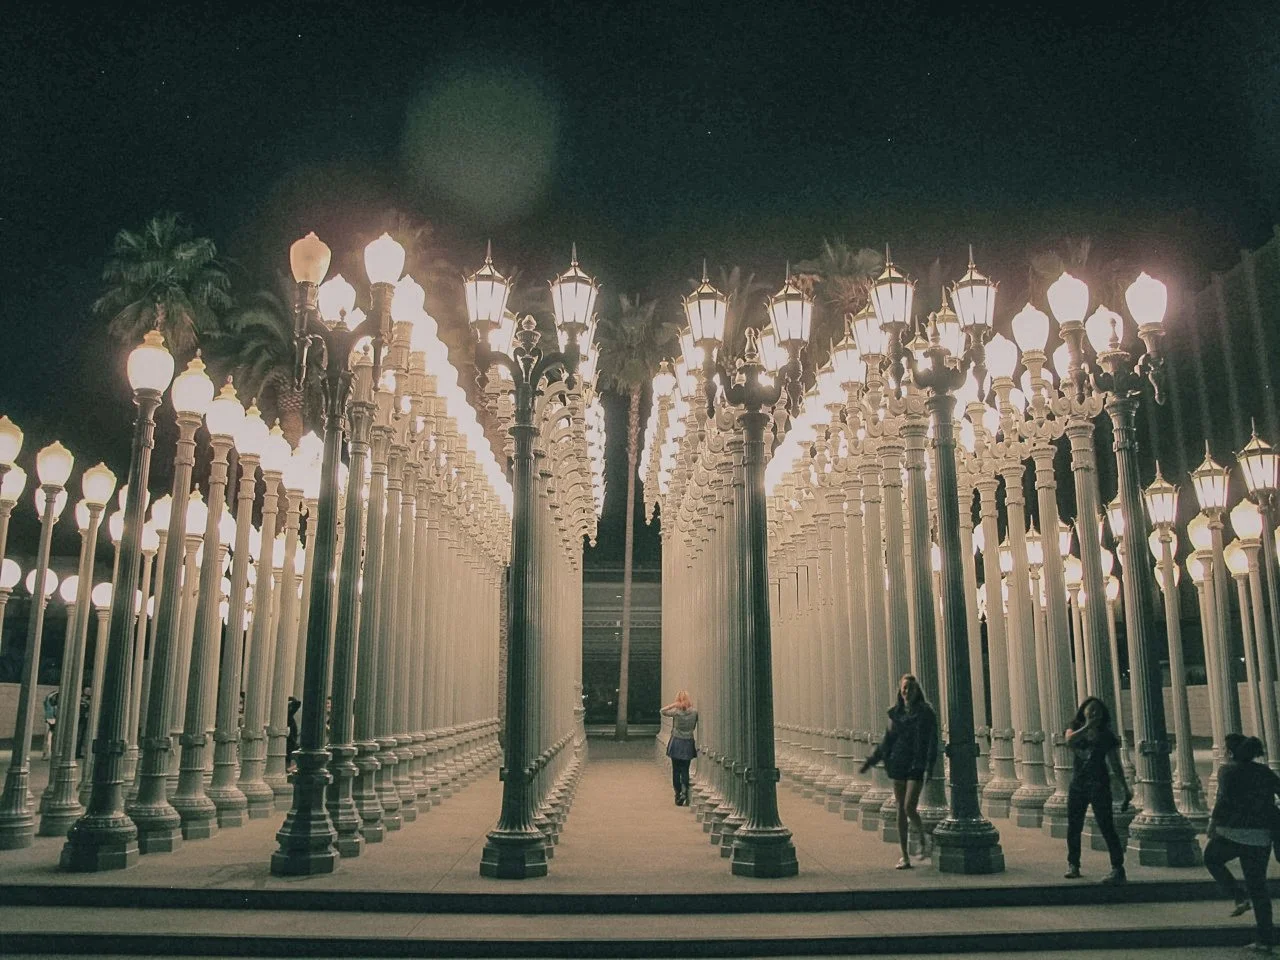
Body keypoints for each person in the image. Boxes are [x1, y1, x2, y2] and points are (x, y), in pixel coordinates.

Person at [1205, 734, 1279, 953]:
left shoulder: (1227, 771)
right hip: (1260, 836)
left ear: (1229, 752)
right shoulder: (1264, 771)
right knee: (1259, 887)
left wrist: (1213, 824)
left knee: (1211, 859)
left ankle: (1238, 895)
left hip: (1232, 832)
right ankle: (1265, 940)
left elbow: (1223, 800)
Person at [860, 674, 938, 868]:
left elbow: (932, 741)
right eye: (904, 688)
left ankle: (922, 839)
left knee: (909, 806)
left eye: (910, 688)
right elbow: (887, 741)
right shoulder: (895, 713)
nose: (907, 692)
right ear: (900, 690)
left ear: (916, 690)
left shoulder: (926, 713)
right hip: (899, 762)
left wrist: (930, 765)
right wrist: (871, 760)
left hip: (916, 764)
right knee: (900, 809)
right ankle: (904, 855)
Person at [1063, 696, 1132, 884]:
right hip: (1078, 784)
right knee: (1074, 825)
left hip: (1099, 784)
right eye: (1090, 709)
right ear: (1083, 710)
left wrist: (1125, 788)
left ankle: (1118, 868)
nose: (1094, 713)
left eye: (1098, 711)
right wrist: (1087, 727)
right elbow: (1069, 740)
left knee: (1107, 826)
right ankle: (1073, 864)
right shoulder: (1075, 726)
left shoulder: (1106, 735)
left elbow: (1115, 763)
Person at [661, 691, 698, 806]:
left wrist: (673, 705)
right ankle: (684, 791)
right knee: (685, 769)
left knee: (676, 770)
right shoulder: (695, 712)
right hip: (688, 741)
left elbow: (662, 711)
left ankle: (677, 794)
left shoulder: (676, 712)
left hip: (676, 741)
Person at [42, 688, 59, 760]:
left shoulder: (49, 696)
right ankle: (50, 753)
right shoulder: (56, 696)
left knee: (48, 738)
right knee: (52, 738)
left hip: (49, 719)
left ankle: (46, 754)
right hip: (53, 719)